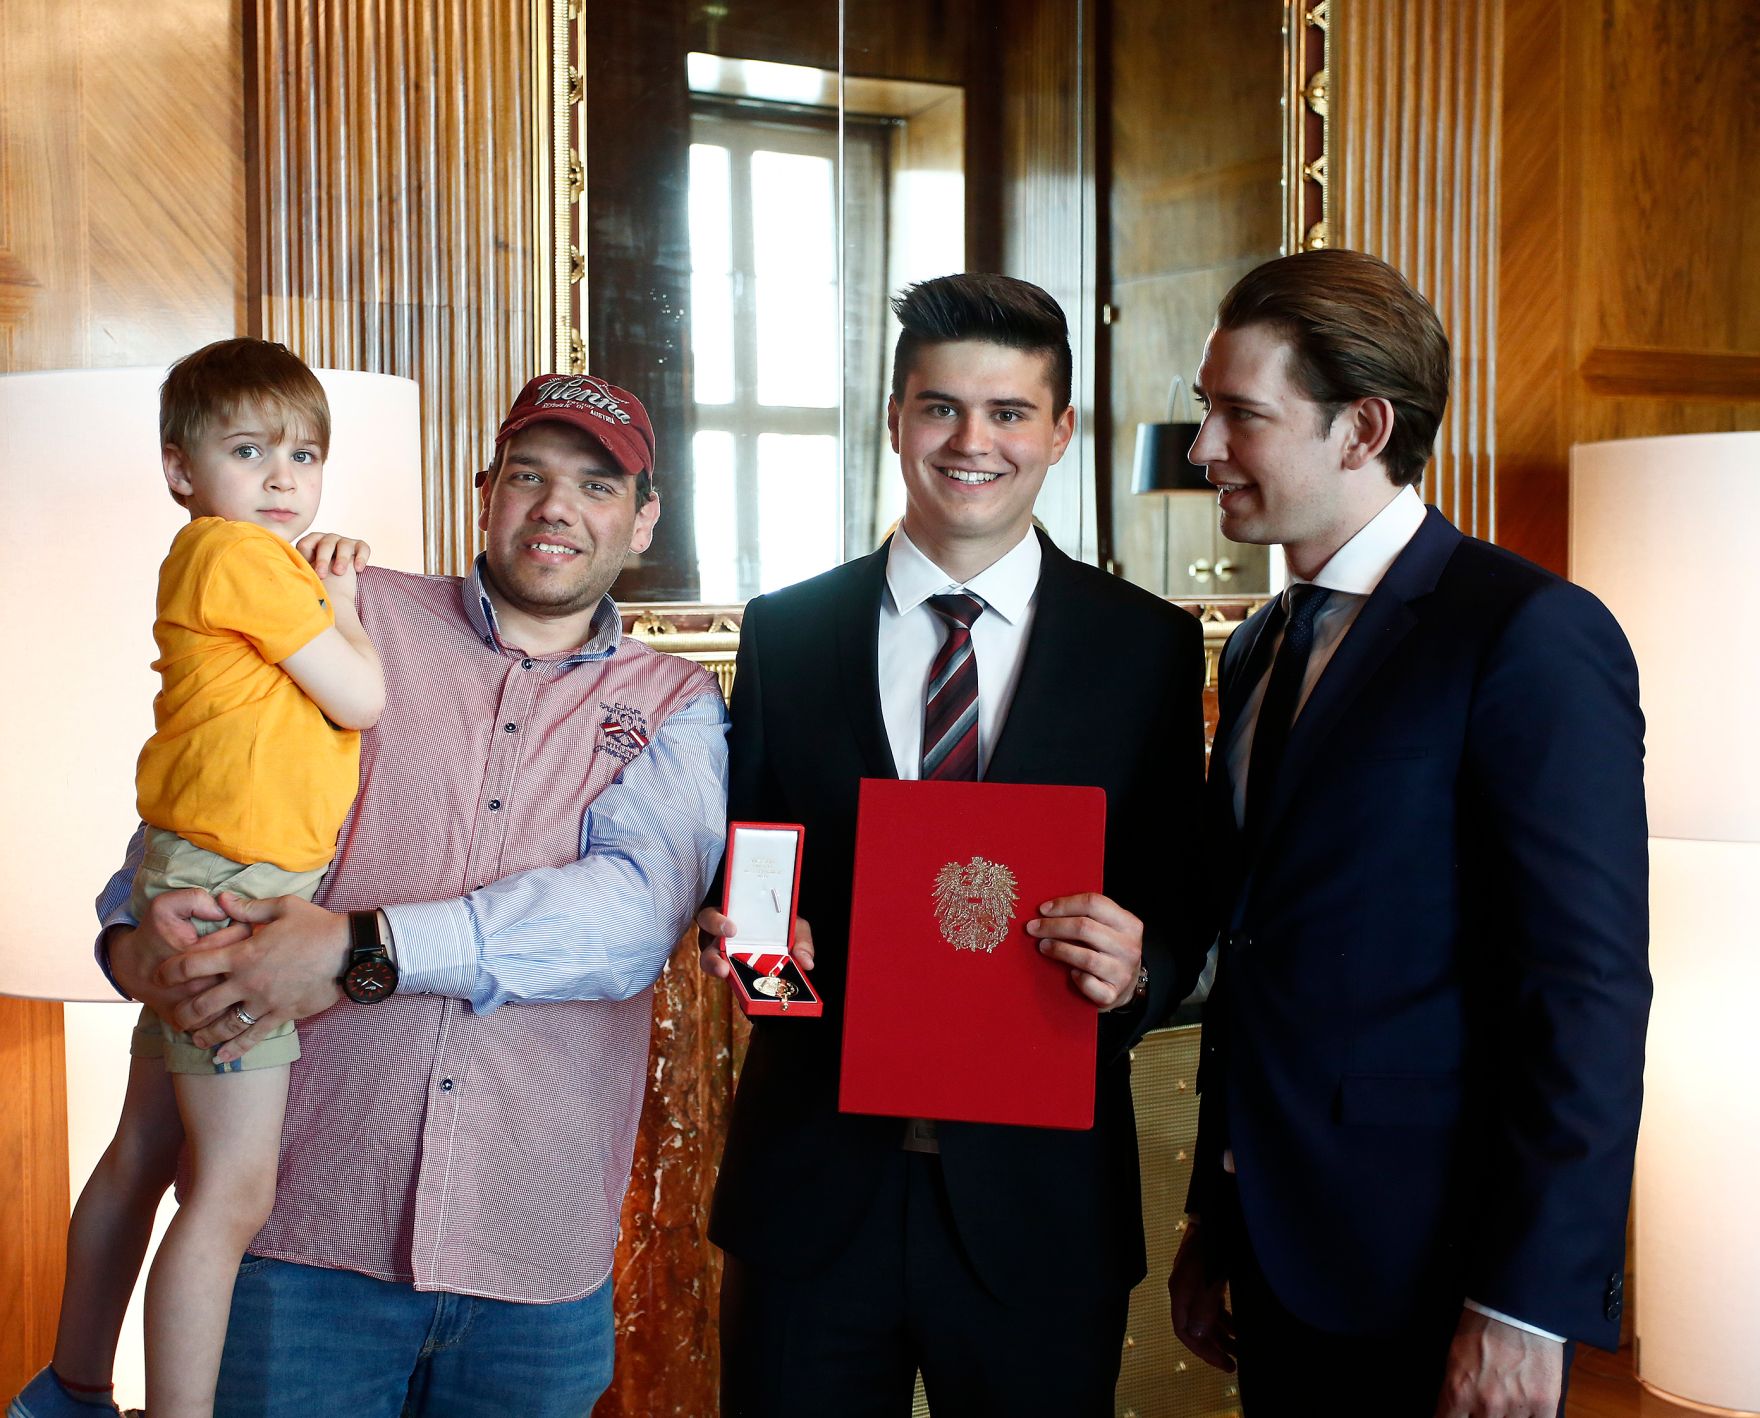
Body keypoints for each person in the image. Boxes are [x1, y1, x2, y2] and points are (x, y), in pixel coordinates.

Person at [69, 373, 727, 1418]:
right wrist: (127, 942)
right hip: (304, 1240)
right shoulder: (350, 612)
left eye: (596, 485)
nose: (556, 507)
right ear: (485, 491)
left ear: (641, 519)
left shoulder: (672, 702)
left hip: (531, 1265)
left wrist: (359, 944)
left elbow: (628, 918)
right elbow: (207, 798)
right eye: (528, 476)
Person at [697, 273, 1209, 1416]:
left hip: (1039, 1202)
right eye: (938, 408)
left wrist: (1139, 967)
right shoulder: (787, 629)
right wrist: (746, 946)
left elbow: (1182, 899)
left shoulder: (1149, 648)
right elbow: (750, 867)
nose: (971, 440)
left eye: (1008, 412)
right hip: (813, 1188)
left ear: (1059, 432)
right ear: (894, 422)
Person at [1163, 249, 1650, 1418]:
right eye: (1204, 409)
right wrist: (1215, 1217)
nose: (1201, 451)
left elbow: (1582, 989)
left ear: (1360, 426)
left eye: (1240, 414)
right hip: (1280, 1257)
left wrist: (1524, 1303)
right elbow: (1262, 954)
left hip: (1443, 1279)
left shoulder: (1528, 632)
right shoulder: (1259, 640)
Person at [10, 339, 385, 1418]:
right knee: (231, 1191)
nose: (283, 478)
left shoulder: (217, 556)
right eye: (249, 448)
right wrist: (347, 596)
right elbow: (359, 697)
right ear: (181, 468)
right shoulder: (242, 558)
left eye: (305, 454)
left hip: (194, 862)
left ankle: (71, 1387)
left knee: (147, 1146)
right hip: (232, 884)